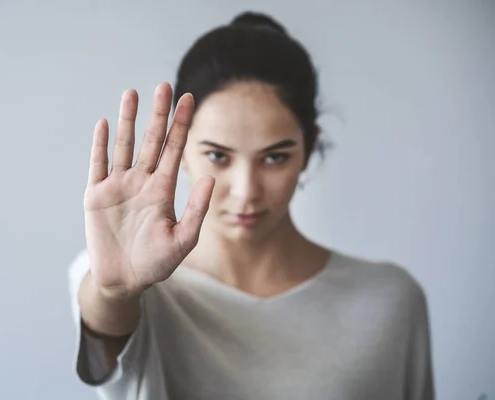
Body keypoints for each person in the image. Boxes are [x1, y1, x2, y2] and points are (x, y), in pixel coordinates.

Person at [68, 11, 434, 400]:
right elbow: (105, 354)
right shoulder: (131, 284)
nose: (246, 192)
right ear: (183, 151)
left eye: (275, 157)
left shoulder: (388, 300)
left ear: (308, 148)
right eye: (218, 156)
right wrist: (112, 293)